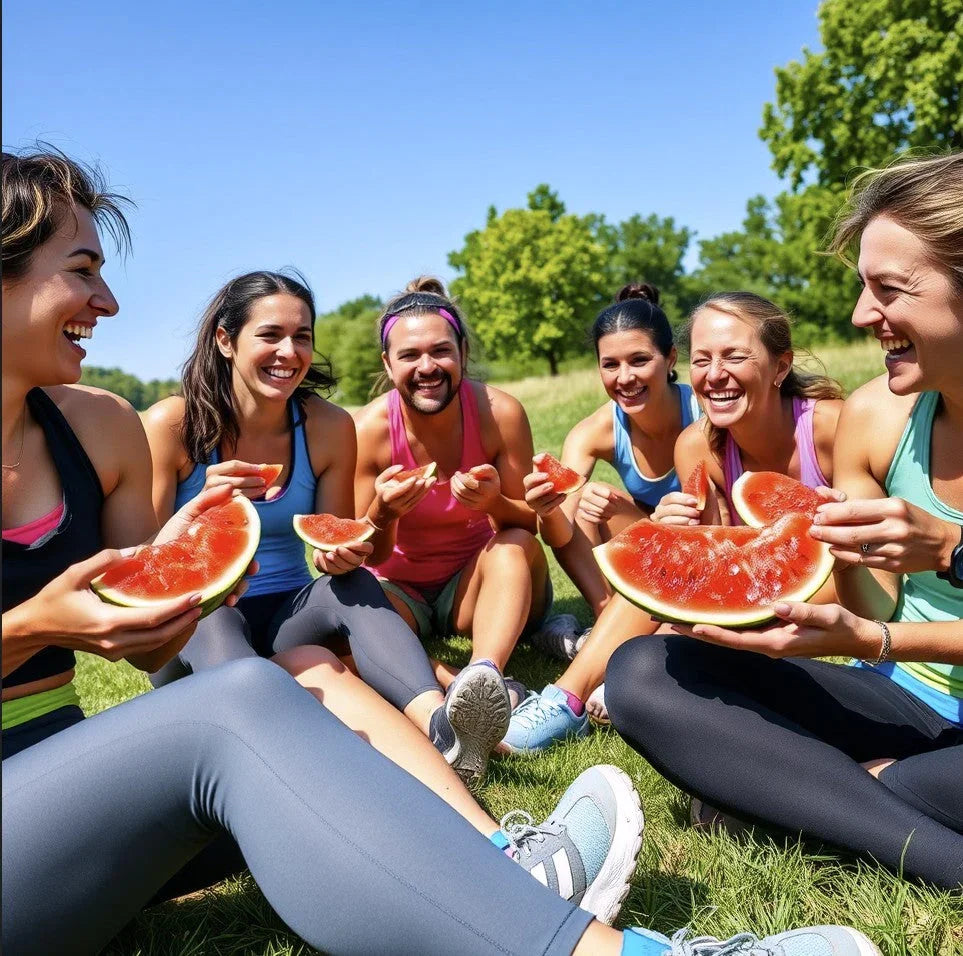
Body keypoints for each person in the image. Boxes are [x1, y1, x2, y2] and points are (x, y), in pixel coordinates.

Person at [1, 147, 882, 956]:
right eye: (81, 272)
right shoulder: (161, 425)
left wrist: (195, 553)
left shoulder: (96, 430)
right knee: (240, 699)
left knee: (305, 713)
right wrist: (36, 622)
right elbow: (155, 643)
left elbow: (149, 625)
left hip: (66, 792)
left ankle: (494, 840)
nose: (108, 303)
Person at [606, 151, 963, 890]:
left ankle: (821, 797)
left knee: (864, 784)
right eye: (862, 288)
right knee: (644, 672)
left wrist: (945, 559)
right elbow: (874, 606)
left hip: (900, 666)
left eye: (888, 290)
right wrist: (823, 554)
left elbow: (878, 627)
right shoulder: (876, 418)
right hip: (911, 698)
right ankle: (875, 794)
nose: (863, 314)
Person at [143, 270, 509, 788]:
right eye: (270, 335)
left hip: (288, 615)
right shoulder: (171, 426)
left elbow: (335, 541)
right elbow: (142, 563)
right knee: (212, 617)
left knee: (355, 585)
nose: (288, 352)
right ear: (226, 341)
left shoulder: (329, 426)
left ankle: (442, 727)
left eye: (302, 337)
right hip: (195, 628)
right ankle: (277, 759)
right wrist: (199, 515)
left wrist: (342, 554)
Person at [504, 290, 842, 753]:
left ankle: (609, 667)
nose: (715, 374)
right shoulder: (697, 445)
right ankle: (566, 698)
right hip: (751, 584)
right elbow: (717, 544)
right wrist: (675, 532)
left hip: (841, 581)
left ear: (780, 367)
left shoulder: (832, 429)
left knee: (678, 588)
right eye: (704, 360)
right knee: (665, 563)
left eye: (734, 356)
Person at [354, 277, 580, 681]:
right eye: (409, 355)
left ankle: (483, 676)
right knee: (347, 619)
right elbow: (369, 555)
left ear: (463, 352)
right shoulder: (367, 431)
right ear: (388, 364)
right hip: (396, 590)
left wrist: (493, 503)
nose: (427, 367)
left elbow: (528, 528)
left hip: (476, 586)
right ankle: (448, 677)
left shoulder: (501, 414)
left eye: (441, 351)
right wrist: (383, 513)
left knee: (516, 545)